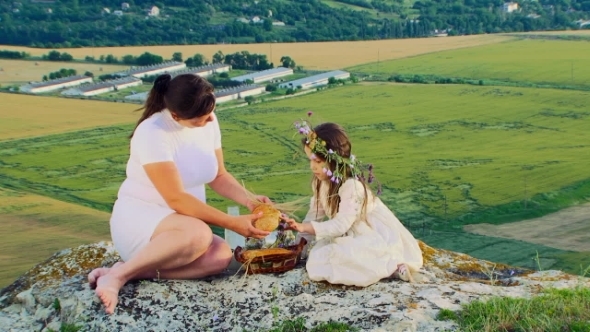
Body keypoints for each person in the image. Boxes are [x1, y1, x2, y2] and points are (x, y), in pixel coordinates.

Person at [88, 74, 271, 315]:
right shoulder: (153, 132)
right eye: (202, 119)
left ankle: (127, 269)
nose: (210, 121)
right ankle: (117, 278)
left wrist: (251, 201)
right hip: (142, 220)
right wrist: (232, 223)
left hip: (181, 225)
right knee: (199, 234)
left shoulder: (208, 121)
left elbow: (218, 175)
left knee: (220, 257)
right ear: (176, 116)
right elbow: (175, 198)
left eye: (212, 113)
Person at [282, 120, 423, 287]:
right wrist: (298, 245)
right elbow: (315, 214)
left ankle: (393, 265)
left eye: (318, 162)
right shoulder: (320, 183)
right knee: (319, 257)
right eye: (310, 161)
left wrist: (304, 227)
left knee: (355, 254)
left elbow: (341, 224)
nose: (313, 167)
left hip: (370, 231)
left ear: (335, 160)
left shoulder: (352, 186)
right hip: (347, 232)